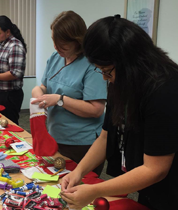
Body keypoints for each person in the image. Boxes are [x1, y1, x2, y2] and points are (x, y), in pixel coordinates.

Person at [60, 15, 178, 210]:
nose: (106, 78)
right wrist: (78, 172)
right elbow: (106, 137)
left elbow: (155, 169)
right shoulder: (122, 81)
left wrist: (93, 191)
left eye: (107, 70)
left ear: (129, 62)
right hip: (150, 189)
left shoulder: (165, 89)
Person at [31, 11, 107, 174]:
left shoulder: (92, 65)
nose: (56, 48)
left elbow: (96, 110)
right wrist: (38, 91)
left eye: (63, 45)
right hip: (55, 137)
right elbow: (45, 86)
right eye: (54, 42)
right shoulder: (55, 57)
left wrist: (60, 100)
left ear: (78, 41)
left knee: (77, 191)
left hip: (82, 145)